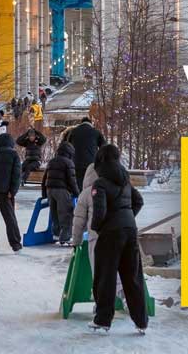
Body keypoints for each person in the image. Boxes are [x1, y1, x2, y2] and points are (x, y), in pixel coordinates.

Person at [88, 144, 147, 334]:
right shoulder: (125, 181)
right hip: (130, 231)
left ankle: (103, 320)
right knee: (132, 277)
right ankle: (141, 321)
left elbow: (100, 211)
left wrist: (98, 227)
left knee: (106, 277)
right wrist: (127, 217)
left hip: (110, 235)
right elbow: (138, 201)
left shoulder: (101, 183)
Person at [71, 163, 123, 305]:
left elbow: (79, 221)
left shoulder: (87, 193)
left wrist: (76, 241)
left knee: (99, 271)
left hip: (98, 237)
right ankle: (124, 294)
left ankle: (101, 304)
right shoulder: (118, 189)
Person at [42, 141, 79, 246]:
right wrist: (77, 193)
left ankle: (56, 234)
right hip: (61, 190)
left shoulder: (51, 161)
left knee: (54, 213)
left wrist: (44, 193)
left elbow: (44, 178)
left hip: (50, 190)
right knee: (66, 213)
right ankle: (65, 237)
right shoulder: (68, 162)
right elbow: (72, 180)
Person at [67, 117, 107, 192]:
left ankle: (78, 201)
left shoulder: (73, 131)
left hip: (76, 163)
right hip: (91, 163)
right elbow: (104, 147)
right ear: (90, 123)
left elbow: (67, 146)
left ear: (81, 123)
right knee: (90, 185)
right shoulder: (96, 132)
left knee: (78, 185)